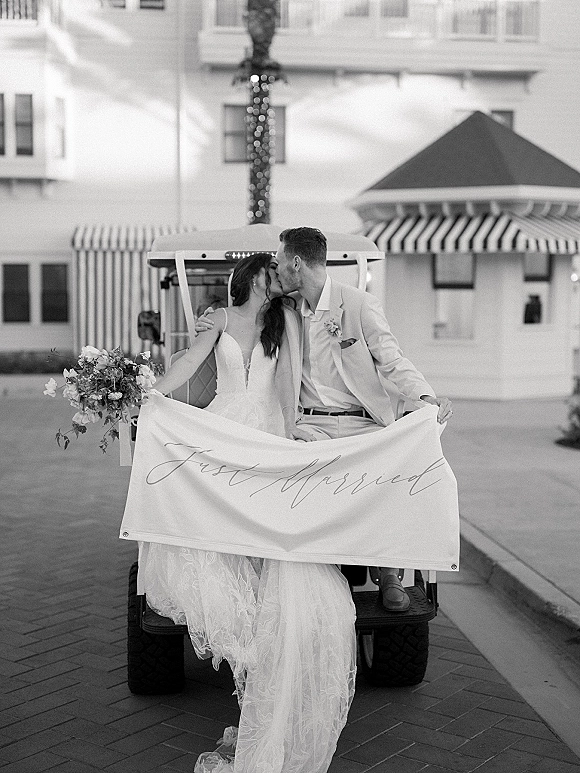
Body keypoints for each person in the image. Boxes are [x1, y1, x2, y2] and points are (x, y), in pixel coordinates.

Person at [139, 252, 356, 773]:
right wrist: (152, 392)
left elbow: (285, 382)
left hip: (265, 430)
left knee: (269, 537)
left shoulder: (284, 322)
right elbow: (192, 363)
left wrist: (290, 430)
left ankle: (268, 636)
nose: (276, 282)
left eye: (280, 276)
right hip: (224, 425)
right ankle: (247, 634)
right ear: (250, 279)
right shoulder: (218, 318)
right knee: (219, 530)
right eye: (269, 275)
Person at [272, 227, 453, 612]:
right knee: (295, 482)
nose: (277, 268)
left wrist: (425, 397)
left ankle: (388, 573)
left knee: (388, 481)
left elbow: (392, 359)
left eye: (281, 260)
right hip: (310, 427)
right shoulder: (286, 310)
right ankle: (313, 574)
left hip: (361, 423)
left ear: (296, 262)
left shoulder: (358, 304)